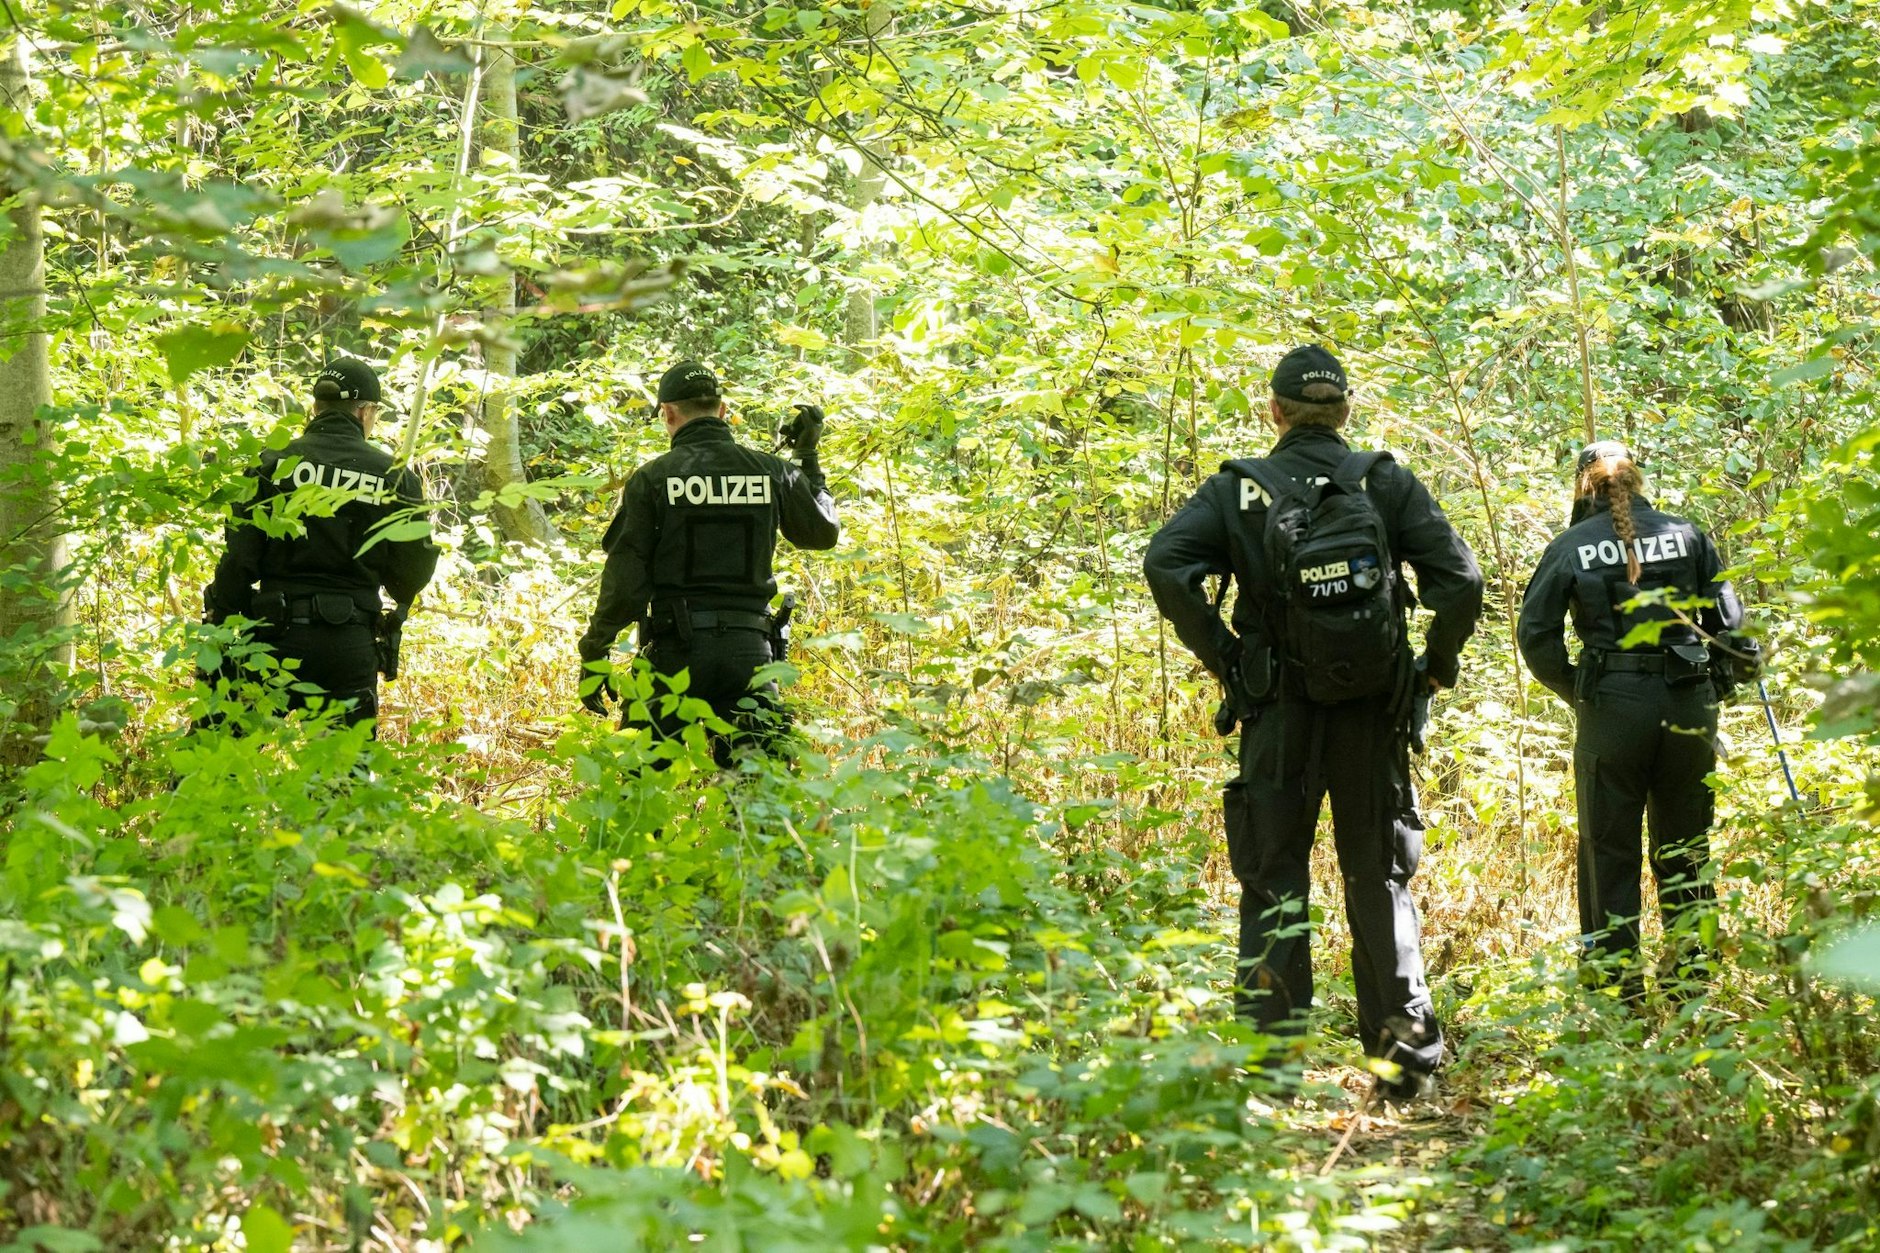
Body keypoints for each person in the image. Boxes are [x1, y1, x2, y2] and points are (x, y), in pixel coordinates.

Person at [1143, 346, 1483, 1102]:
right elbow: (1461, 580)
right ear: (1346, 411)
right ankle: (1403, 1067)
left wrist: (1229, 660)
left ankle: (1272, 1072)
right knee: (1380, 878)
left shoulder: (1237, 490)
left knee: (1273, 880)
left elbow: (1165, 564)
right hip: (1373, 714)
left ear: (1275, 412)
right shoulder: (1384, 480)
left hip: (1277, 715)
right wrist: (1433, 667)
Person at [1517, 440, 1746, 1000]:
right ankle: (1692, 986)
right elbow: (1735, 632)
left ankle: (1617, 993)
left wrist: (1579, 691)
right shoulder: (1688, 534)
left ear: (1583, 487)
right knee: (1687, 846)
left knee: (1607, 849)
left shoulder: (1570, 546)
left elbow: (1536, 636)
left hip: (1612, 706)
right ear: (1637, 480)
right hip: (1688, 703)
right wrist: (1714, 686)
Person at [578, 361, 839, 761]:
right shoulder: (772, 472)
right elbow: (822, 533)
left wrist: (596, 649)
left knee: (643, 783)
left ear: (667, 414)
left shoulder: (653, 479)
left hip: (672, 655)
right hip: (751, 654)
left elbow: (626, 579)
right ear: (722, 409)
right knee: (759, 787)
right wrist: (806, 456)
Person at [205, 357, 438, 729]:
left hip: (271, 639)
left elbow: (238, 560)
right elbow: (412, 573)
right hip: (349, 646)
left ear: (316, 407)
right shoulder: (394, 478)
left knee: (220, 756)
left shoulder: (272, 464)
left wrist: (223, 622)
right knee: (341, 765)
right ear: (364, 411)